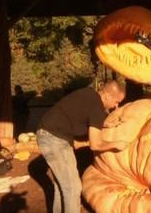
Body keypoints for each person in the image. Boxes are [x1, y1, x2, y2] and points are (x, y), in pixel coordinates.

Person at [36, 80, 127, 213]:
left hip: (48, 134)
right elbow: (95, 145)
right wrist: (116, 144)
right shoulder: (96, 108)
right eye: (116, 101)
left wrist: (106, 124)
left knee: (62, 185)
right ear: (107, 95)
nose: (116, 106)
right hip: (54, 138)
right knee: (73, 187)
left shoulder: (89, 95)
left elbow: (84, 117)